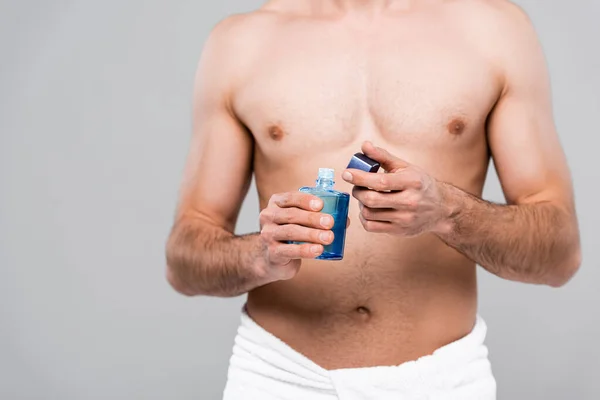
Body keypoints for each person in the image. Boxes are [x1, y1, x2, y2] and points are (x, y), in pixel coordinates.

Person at [165, 0, 581, 398]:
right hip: (280, 378)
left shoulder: (493, 30)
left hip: (441, 381)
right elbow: (184, 263)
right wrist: (261, 253)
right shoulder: (241, 43)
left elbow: (560, 256)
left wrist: (448, 211)